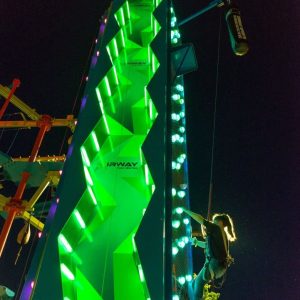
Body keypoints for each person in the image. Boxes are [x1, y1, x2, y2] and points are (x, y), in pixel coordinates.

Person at [182, 208, 237, 300]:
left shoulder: (217, 228)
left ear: (220, 222)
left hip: (214, 264)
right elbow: (207, 246)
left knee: (198, 287)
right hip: (218, 267)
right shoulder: (223, 236)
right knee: (193, 284)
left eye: (214, 221)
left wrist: (185, 210)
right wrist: (196, 242)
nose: (212, 223)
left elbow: (200, 219)